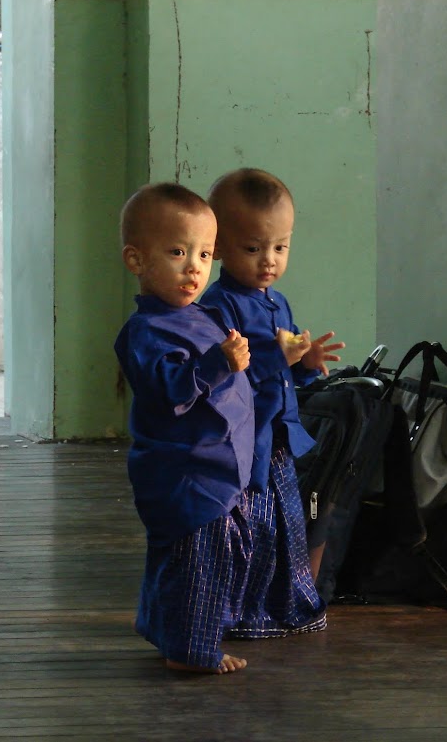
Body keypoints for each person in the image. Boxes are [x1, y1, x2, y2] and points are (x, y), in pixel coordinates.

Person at [114, 182, 255, 674]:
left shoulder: (202, 315)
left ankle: (162, 629)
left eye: (205, 254)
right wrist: (219, 364)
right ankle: (191, 652)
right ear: (137, 260)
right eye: (177, 252)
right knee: (198, 564)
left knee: (190, 559)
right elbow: (170, 390)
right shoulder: (147, 331)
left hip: (216, 468)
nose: (195, 266)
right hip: (185, 473)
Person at [201, 167, 344, 637]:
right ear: (218, 246)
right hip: (244, 441)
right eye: (253, 247)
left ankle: (285, 604)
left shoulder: (277, 302)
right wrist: (272, 356)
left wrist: (306, 362)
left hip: (279, 437)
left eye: (280, 247)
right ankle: (243, 613)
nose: (269, 260)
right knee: (250, 526)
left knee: (288, 524)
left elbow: (287, 368)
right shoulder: (219, 305)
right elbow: (225, 376)